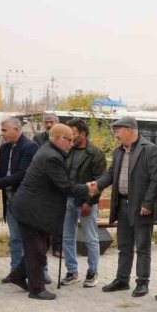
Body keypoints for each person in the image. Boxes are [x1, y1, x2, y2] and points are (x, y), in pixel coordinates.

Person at [5, 124, 94, 300]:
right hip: (31, 210)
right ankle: (36, 289)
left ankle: (17, 276)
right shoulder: (51, 157)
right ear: (60, 138)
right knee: (36, 250)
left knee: (39, 246)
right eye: (70, 140)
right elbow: (65, 185)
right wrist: (86, 188)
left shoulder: (50, 151)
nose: (71, 144)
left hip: (35, 209)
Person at [92, 116, 157, 297]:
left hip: (141, 206)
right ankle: (122, 279)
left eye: (118, 130)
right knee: (124, 245)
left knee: (143, 246)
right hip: (122, 204)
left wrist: (148, 203)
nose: (115, 134)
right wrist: (96, 185)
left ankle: (142, 282)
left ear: (130, 130)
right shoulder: (118, 152)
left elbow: (156, 179)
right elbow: (110, 175)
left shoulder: (150, 150)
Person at [0, 116, 38, 279]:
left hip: (24, 200)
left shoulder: (30, 147)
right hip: (9, 198)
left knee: (29, 239)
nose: (1, 134)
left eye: (4, 130)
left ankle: (36, 272)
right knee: (15, 238)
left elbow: (22, 174)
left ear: (16, 130)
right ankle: (15, 272)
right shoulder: (4, 148)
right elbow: (0, 169)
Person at [61, 119, 107, 288]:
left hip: (86, 201)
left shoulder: (96, 153)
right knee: (67, 237)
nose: (70, 137)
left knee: (90, 238)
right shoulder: (67, 151)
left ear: (83, 134)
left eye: (73, 133)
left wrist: (89, 202)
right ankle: (72, 271)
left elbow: (99, 182)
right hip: (68, 200)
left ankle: (93, 271)